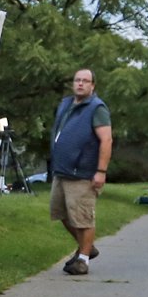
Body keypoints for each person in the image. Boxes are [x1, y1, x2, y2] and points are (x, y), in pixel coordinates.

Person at [48, 68, 112, 274]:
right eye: (77, 80)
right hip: (61, 171)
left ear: (93, 86)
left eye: (85, 81)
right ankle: (87, 246)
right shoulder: (66, 104)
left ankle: (83, 259)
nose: (81, 84)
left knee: (83, 218)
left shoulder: (96, 108)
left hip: (82, 173)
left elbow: (106, 140)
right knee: (61, 213)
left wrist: (101, 171)